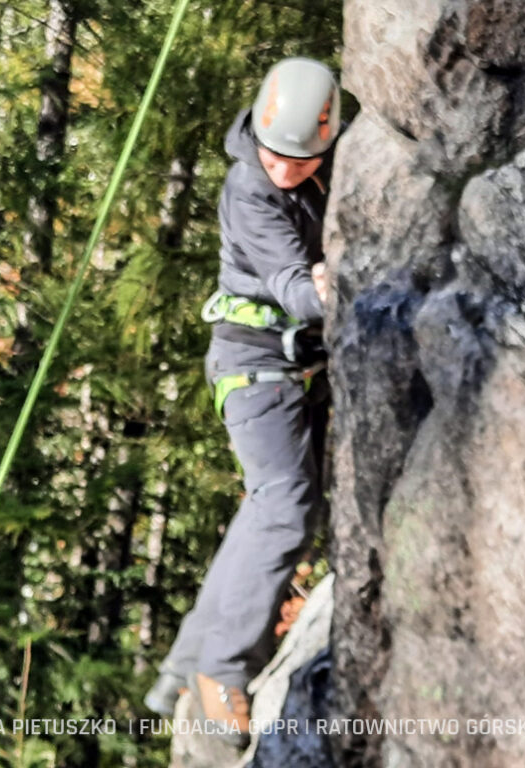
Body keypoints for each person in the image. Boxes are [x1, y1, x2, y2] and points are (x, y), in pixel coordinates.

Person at [144, 57, 341, 745]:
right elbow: (290, 282)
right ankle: (221, 671)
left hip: (296, 364)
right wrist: (329, 286)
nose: (283, 169)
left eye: (300, 159)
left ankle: (181, 667)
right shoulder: (248, 187)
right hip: (253, 362)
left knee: (271, 507)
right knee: (286, 507)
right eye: (273, 153)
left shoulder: (332, 159)